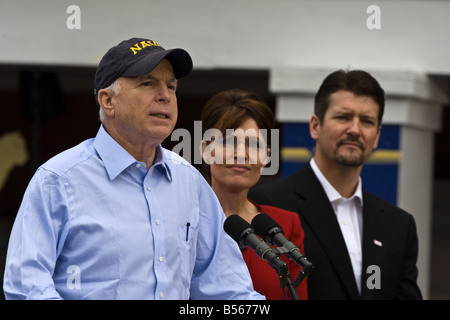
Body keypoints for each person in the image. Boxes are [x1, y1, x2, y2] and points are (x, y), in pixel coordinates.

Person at [3, 38, 264, 300]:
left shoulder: (190, 181)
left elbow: (228, 290)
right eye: (148, 83)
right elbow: (26, 288)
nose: (165, 95)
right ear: (108, 101)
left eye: (171, 86)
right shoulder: (57, 180)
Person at [249, 70, 422, 300]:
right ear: (315, 126)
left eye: (367, 121)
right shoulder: (267, 205)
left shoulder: (399, 226)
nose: (355, 129)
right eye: (343, 117)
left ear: (377, 136)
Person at [200, 89, 308, 300]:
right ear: (206, 150)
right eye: (227, 141)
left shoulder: (285, 224)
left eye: (254, 144)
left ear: (266, 156)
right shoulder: (184, 221)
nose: (241, 154)